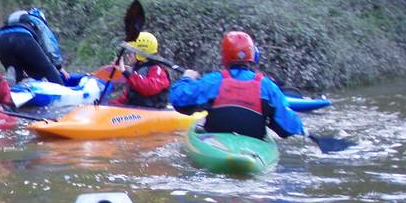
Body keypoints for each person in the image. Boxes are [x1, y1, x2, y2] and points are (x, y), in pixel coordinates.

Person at [170, 31, 305, 139]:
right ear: (252, 56)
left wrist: (187, 78)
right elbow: (290, 128)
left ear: (224, 56)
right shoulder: (267, 86)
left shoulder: (213, 81)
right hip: (253, 148)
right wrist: (300, 128)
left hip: (216, 143)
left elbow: (178, 99)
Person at [0, 10, 64, 84]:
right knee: (47, 68)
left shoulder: (19, 20)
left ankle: (15, 88)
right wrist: (58, 66)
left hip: (1, 40)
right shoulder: (38, 21)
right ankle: (63, 92)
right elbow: (49, 43)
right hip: (22, 38)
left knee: (17, 73)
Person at [110, 31, 170, 108]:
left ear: (141, 54)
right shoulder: (137, 71)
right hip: (135, 112)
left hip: (151, 112)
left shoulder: (158, 70)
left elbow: (148, 88)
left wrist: (126, 72)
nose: (128, 55)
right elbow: (126, 97)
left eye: (130, 52)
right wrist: (109, 106)